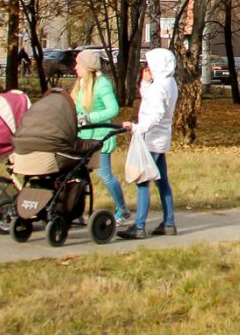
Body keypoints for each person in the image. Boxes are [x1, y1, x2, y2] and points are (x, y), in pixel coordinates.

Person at [119, 47, 178, 239]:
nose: (147, 67)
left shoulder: (160, 86)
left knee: (142, 180)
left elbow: (156, 112)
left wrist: (138, 127)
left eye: (150, 64)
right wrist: (145, 83)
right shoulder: (168, 83)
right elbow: (150, 100)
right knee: (162, 181)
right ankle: (169, 223)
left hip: (152, 138)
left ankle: (139, 227)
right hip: (160, 139)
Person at [73, 49, 127, 225]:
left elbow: (113, 110)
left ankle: (122, 209)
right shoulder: (81, 84)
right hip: (83, 137)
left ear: (87, 67)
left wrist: (90, 117)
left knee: (105, 174)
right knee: (77, 176)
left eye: (78, 65)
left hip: (100, 137)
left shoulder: (102, 84)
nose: (75, 68)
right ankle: (75, 213)